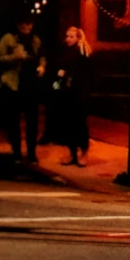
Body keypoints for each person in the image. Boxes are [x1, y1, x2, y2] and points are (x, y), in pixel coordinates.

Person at [0, 15, 42, 160]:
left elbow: (42, 56)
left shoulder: (35, 40)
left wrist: (42, 66)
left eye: (29, 26)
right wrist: (16, 57)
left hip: (31, 85)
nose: (26, 29)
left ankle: (31, 152)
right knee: (13, 120)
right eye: (23, 27)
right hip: (14, 84)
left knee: (32, 121)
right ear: (18, 26)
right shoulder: (8, 38)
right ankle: (16, 151)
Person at [44, 28, 93, 166]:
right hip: (67, 92)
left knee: (80, 124)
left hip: (79, 92)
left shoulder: (82, 51)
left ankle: (83, 152)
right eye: (67, 36)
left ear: (78, 38)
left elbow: (85, 73)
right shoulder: (65, 51)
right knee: (68, 124)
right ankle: (72, 153)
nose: (68, 39)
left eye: (71, 36)